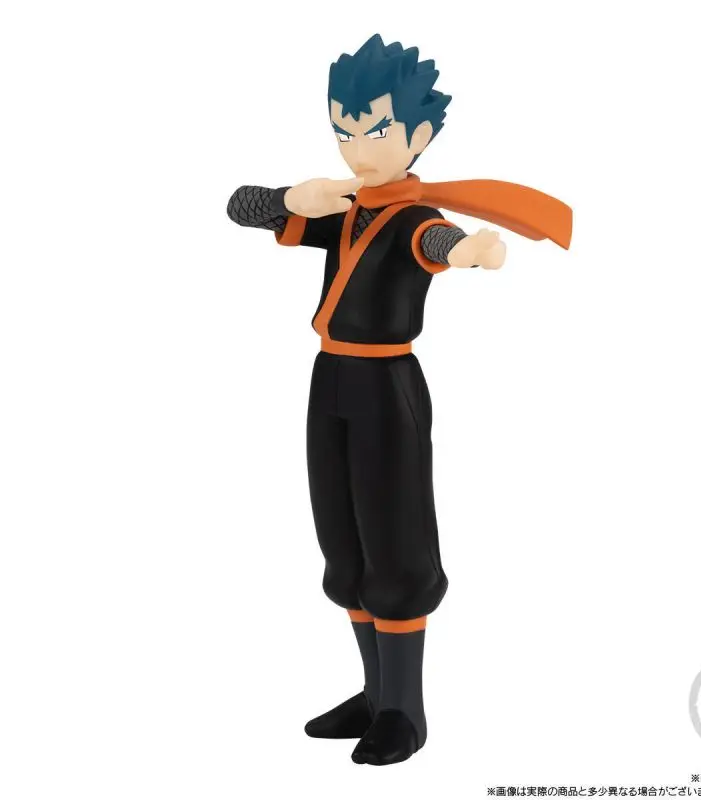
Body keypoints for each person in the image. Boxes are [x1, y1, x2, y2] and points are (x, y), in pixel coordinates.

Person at [227, 33, 571, 766]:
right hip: (329, 381)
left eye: (375, 131)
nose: (357, 149)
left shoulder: (414, 218)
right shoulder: (340, 206)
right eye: (343, 131)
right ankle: (373, 692)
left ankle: (404, 710)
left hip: (387, 387)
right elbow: (239, 207)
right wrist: (292, 199)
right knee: (343, 539)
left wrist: (470, 251)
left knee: (395, 539)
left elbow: (438, 243)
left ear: (418, 137)